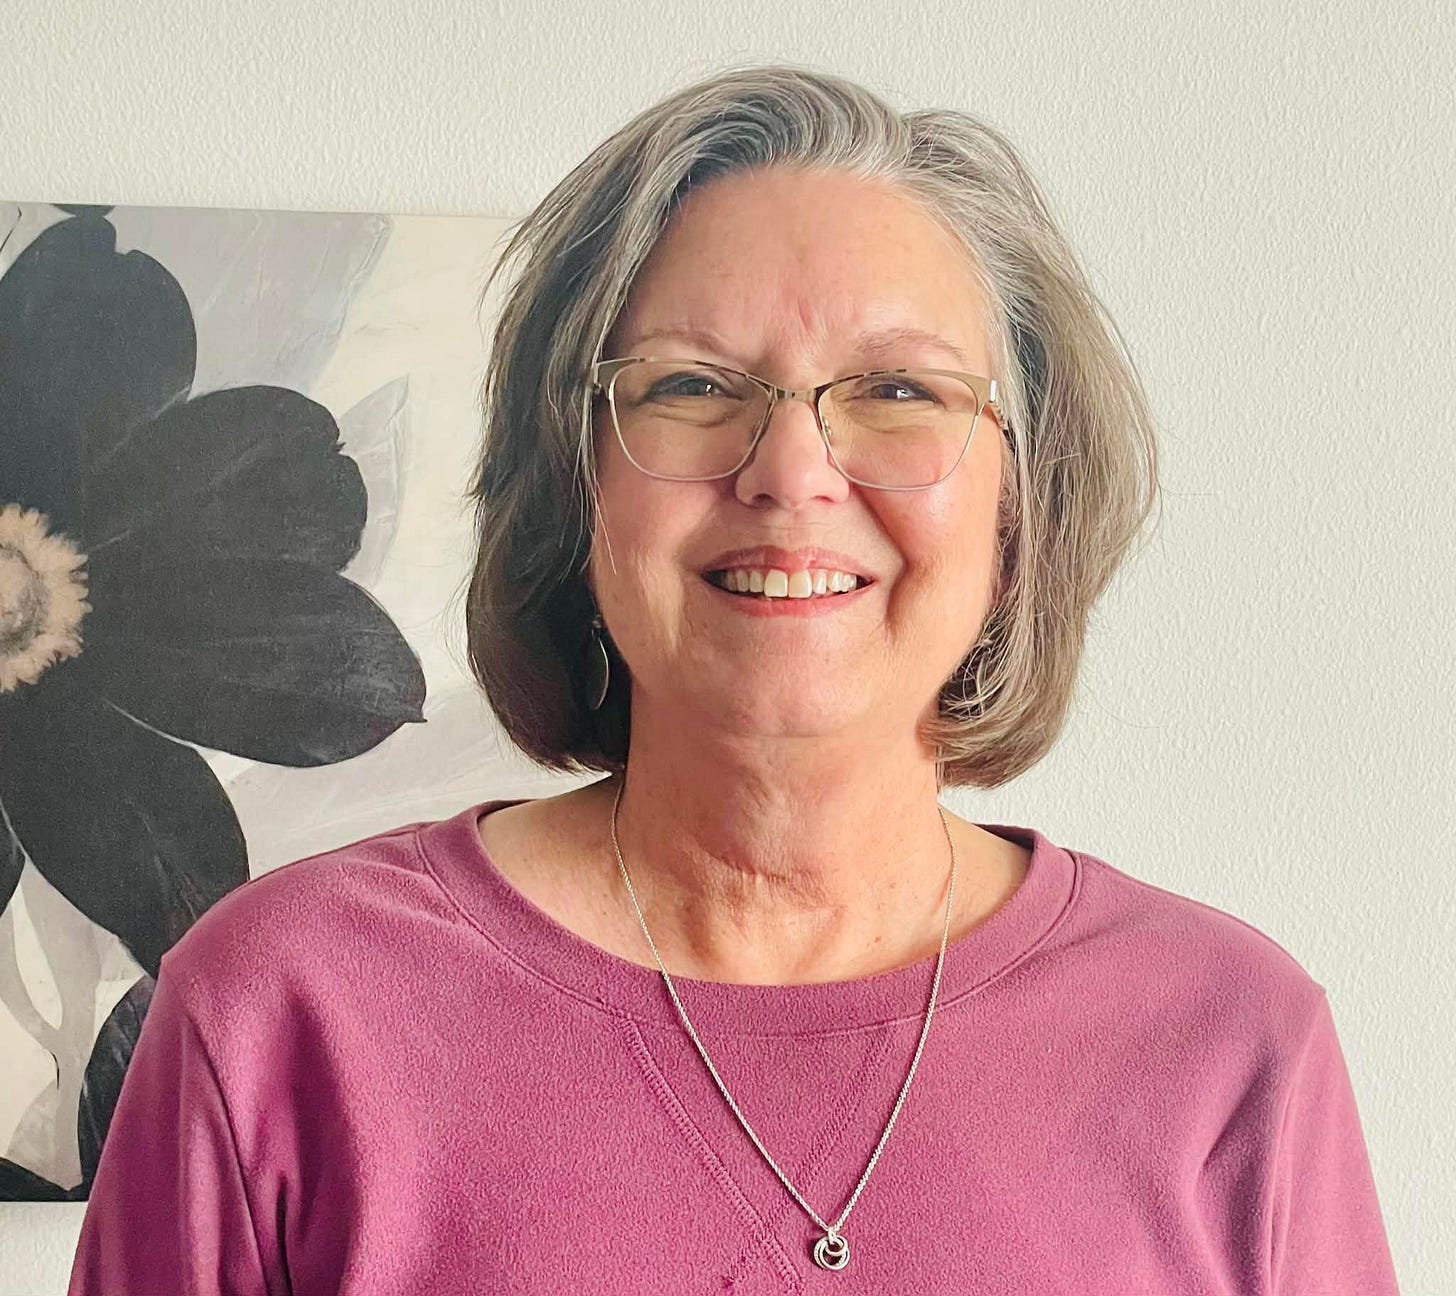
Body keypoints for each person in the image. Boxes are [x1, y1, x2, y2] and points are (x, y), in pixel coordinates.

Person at [68, 65, 1399, 1293]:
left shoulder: (1229, 1043)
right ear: (572, 482)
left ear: (1023, 502)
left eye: (898, 390)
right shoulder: (280, 1012)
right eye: (693, 385)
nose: (791, 472)